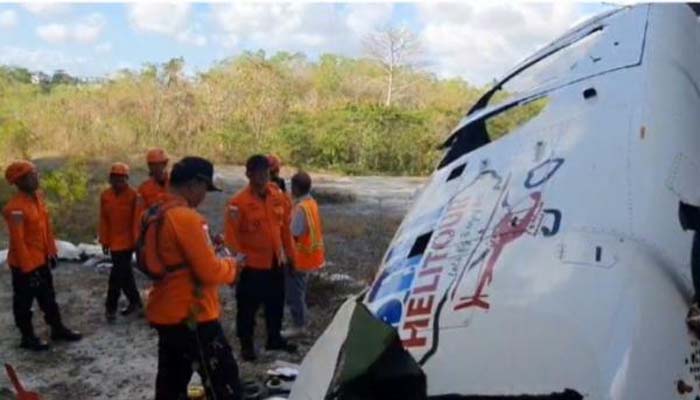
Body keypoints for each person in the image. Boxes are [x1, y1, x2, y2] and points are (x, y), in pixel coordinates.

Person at [145, 156, 242, 400]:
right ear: (194, 184)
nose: (204, 196)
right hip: (193, 316)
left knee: (171, 382)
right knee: (224, 381)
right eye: (205, 189)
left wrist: (209, 247)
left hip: (167, 311)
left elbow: (175, 260)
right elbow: (208, 271)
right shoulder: (186, 218)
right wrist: (233, 266)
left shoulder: (157, 211)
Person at [2, 161, 82, 351]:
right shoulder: (15, 209)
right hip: (24, 264)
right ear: (20, 181)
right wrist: (29, 270)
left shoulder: (37, 199)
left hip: (41, 259)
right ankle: (27, 337)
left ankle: (57, 328)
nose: (36, 177)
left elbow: (46, 228)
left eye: (35, 173)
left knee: (48, 297)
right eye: (31, 175)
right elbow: (18, 241)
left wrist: (52, 252)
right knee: (24, 302)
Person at [224, 155, 297, 361]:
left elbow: (285, 231)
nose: (263, 177)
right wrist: (235, 270)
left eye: (266, 173)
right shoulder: (238, 203)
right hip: (252, 267)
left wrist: (292, 258)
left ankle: (274, 338)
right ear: (248, 174)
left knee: (276, 303)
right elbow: (232, 240)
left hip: (276, 261)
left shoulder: (278, 196)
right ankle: (246, 345)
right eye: (258, 173)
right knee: (247, 309)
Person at [282, 171, 326, 339]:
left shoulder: (301, 208)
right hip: (310, 257)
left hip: (299, 258)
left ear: (297, 188)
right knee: (299, 291)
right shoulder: (311, 203)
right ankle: (302, 322)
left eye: (292, 187)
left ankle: (299, 326)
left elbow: (294, 232)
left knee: (295, 294)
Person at [99, 162, 142, 322]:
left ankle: (111, 307)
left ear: (127, 179)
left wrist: (136, 242)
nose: (118, 182)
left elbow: (137, 220)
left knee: (117, 276)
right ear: (110, 179)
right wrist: (104, 240)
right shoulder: (105, 196)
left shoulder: (134, 196)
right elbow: (104, 220)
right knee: (124, 274)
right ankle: (135, 302)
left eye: (121, 179)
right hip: (113, 242)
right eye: (115, 179)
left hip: (128, 242)